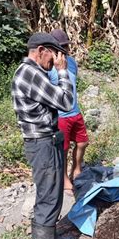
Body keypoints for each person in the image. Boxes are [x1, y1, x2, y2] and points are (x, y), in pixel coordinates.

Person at [11, 32, 74, 239]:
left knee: (52, 194)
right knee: (48, 197)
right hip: (42, 144)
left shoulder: (32, 72)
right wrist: (63, 71)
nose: (56, 60)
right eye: (54, 54)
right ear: (41, 50)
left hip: (45, 142)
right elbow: (66, 102)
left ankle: (50, 238)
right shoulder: (31, 74)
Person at [48, 29, 89, 196]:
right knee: (63, 149)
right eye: (61, 47)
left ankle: (77, 168)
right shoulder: (48, 67)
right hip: (61, 116)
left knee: (82, 143)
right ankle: (65, 179)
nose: (64, 50)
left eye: (66, 46)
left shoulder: (72, 62)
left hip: (75, 111)